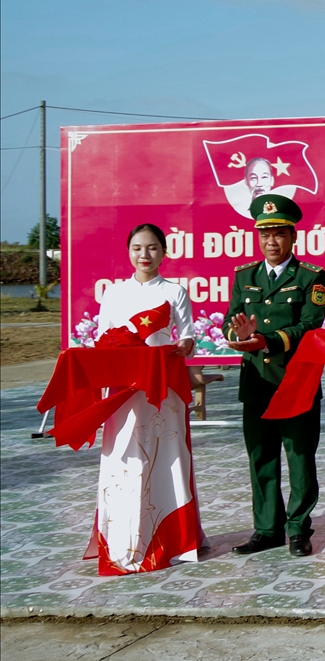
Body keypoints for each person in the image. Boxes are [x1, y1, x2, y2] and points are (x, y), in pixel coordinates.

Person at [87, 223, 204, 573]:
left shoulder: (174, 291)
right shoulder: (114, 294)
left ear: (164, 252)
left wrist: (185, 345)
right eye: (138, 248)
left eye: (152, 248)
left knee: (167, 458)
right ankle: (123, 536)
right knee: (124, 460)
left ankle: (175, 537)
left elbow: (187, 336)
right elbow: (103, 340)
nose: (145, 255)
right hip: (123, 392)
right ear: (129, 252)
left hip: (163, 391)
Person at [225, 195, 325, 557]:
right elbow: (230, 320)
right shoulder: (244, 276)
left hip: (295, 380)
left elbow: (309, 326)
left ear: (293, 237)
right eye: (265, 234)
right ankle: (267, 529)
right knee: (261, 456)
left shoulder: (311, 276)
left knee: (300, 457)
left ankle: (299, 528)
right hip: (256, 382)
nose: (272, 241)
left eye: (279, 234)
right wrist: (238, 336)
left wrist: (265, 340)